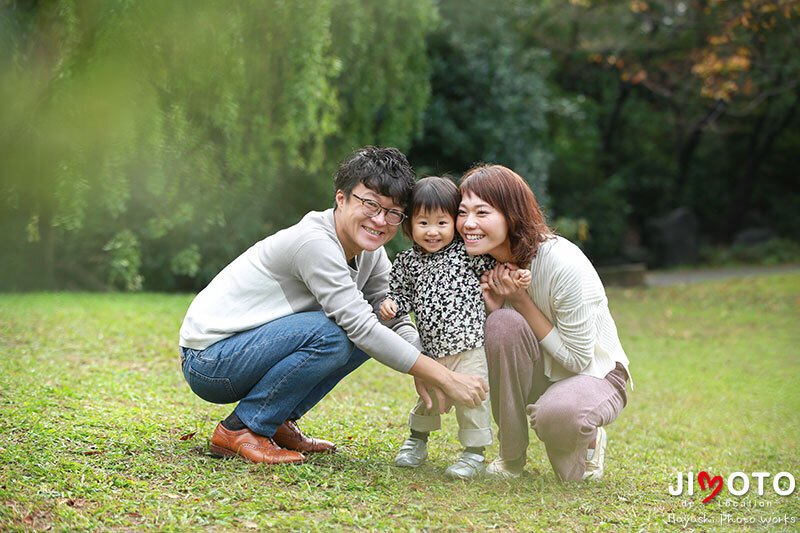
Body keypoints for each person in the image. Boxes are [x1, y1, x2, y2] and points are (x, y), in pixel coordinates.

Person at [178, 146, 489, 465]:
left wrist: (427, 366)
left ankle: (277, 420)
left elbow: (392, 319)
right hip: (210, 360)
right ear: (341, 198)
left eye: (393, 212)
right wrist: (445, 377)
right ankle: (240, 429)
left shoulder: (371, 252)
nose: (380, 220)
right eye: (370, 204)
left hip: (244, 353)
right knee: (334, 334)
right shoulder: (314, 243)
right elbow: (360, 327)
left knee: (366, 329)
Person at [456, 164, 632, 482]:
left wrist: (521, 301)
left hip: (596, 376)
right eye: (462, 212)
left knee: (560, 420)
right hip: (541, 374)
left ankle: (589, 438)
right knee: (502, 324)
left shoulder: (562, 263)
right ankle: (511, 457)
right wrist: (493, 310)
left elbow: (579, 360)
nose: (468, 224)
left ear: (512, 214)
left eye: (482, 212)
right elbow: (494, 354)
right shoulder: (484, 264)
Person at [379, 176, 531, 480]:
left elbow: (497, 272)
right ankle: (416, 441)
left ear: (454, 224)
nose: (432, 231)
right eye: (423, 223)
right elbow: (399, 293)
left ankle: (474, 454)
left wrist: (515, 277)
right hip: (432, 351)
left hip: (470, 345)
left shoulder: (467, 254)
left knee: (473, 399)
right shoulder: (407, 262)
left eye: (441, 222)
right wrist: (391, 304)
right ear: (409, 226)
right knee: (429, 399)